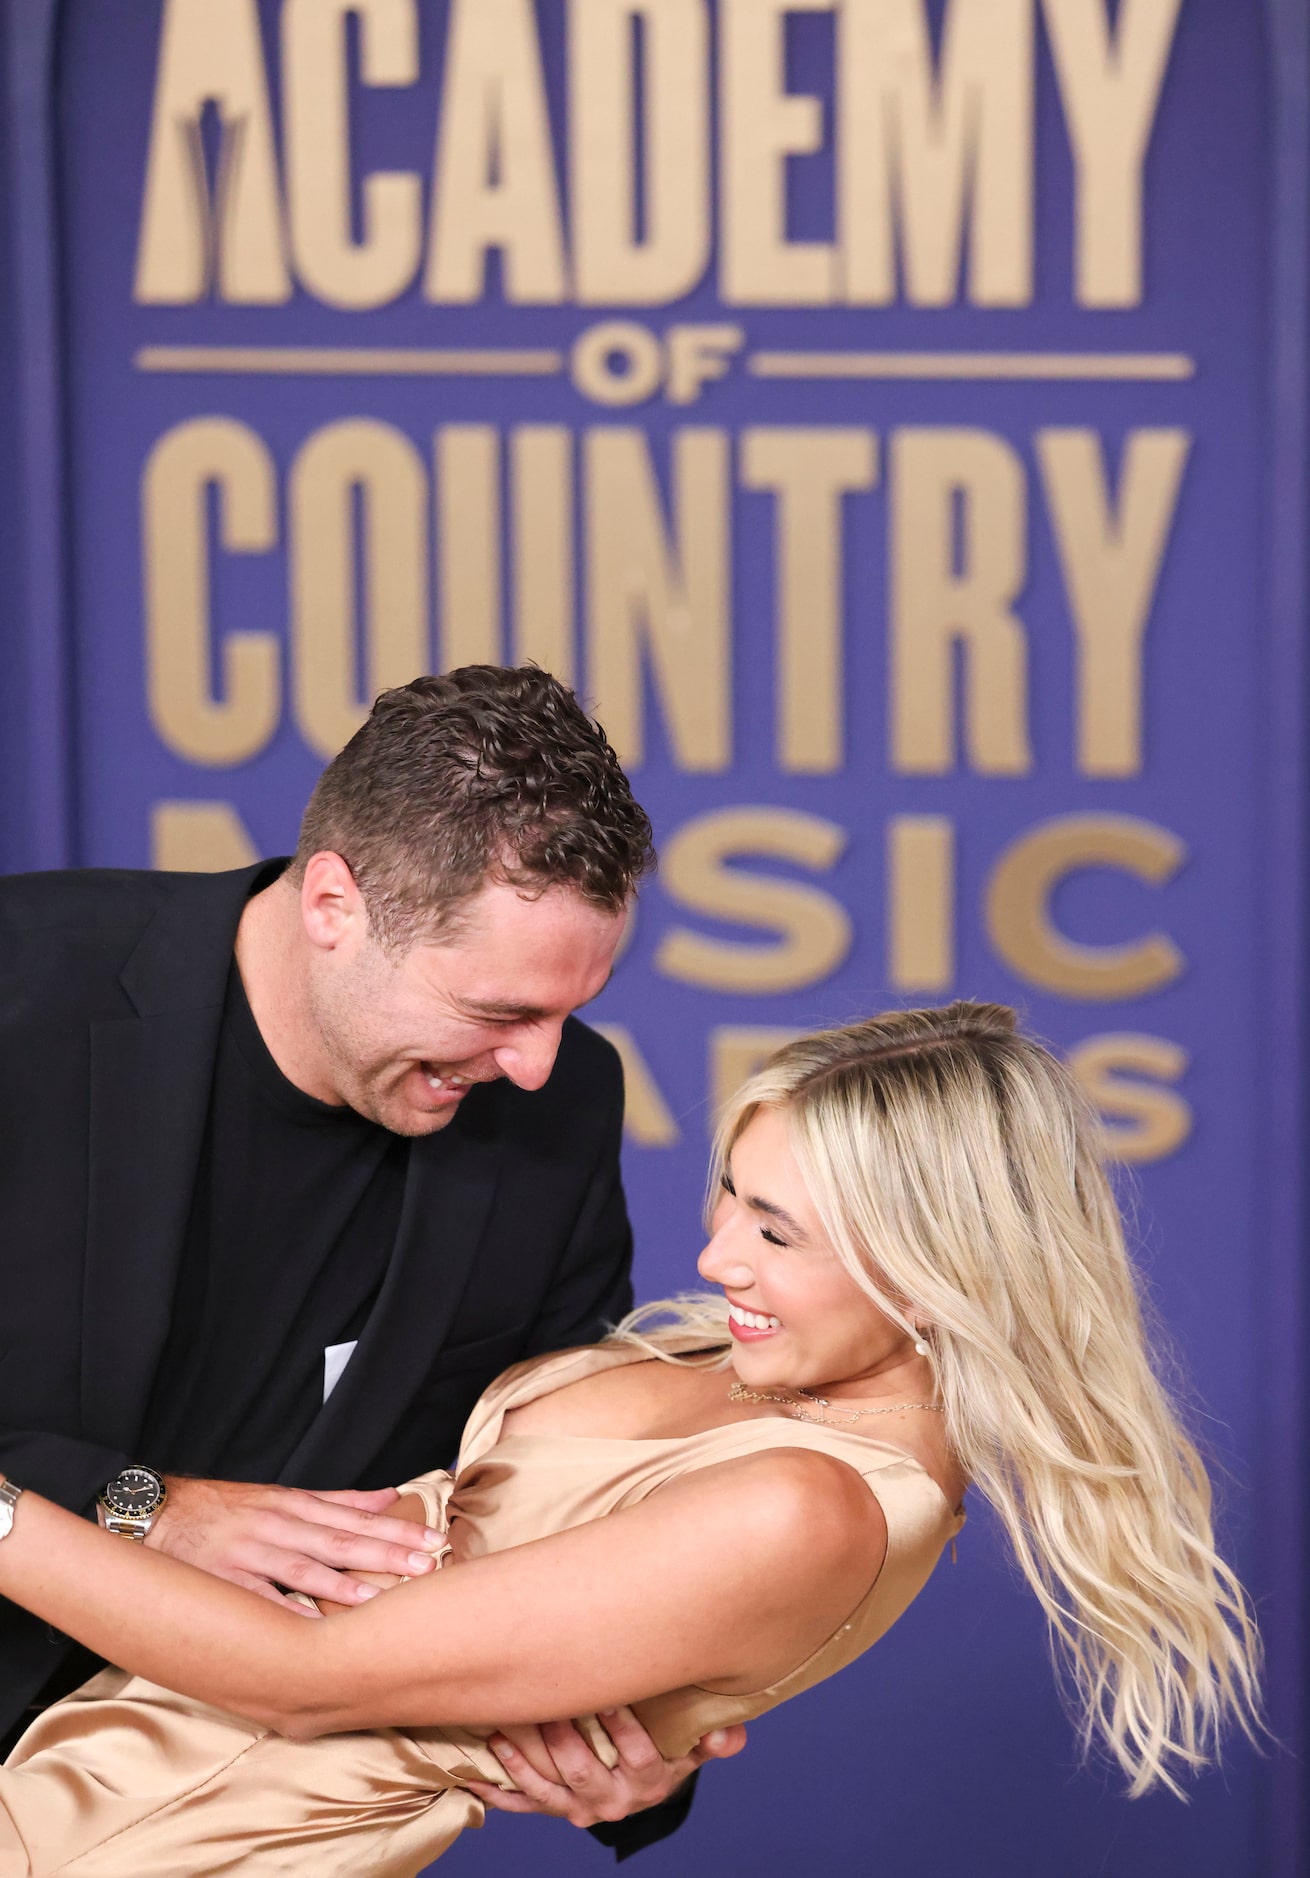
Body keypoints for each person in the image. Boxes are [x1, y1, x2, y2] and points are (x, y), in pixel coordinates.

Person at [0, 1003, 1263, 1877]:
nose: (716, 1255)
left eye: (778, 1232)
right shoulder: (767, 1368)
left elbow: (297, 1679)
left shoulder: (810, 1508)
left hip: (160, 1840)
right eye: (731, 1191)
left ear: (938, 1273)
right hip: (70, 1760)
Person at [0, 665, 730, 1852]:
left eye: (571, 1011)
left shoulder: (559, 1103)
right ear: (332, 904)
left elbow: (545, 1482)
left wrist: (618, 1728)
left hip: (240, 1832)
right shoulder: (22, 986)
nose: (541, 1065)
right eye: (497, 1013)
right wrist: (138, 1508)